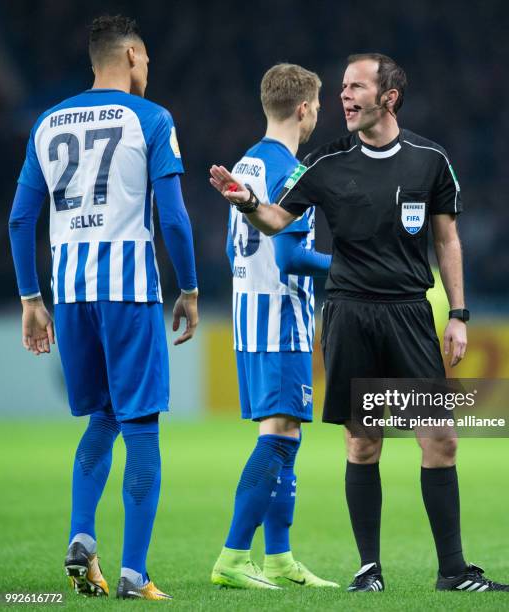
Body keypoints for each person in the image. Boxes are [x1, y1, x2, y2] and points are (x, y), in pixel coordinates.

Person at [209, 53, 509, 594]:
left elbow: (446, 240)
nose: (345, 97)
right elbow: (278, 219)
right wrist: (249, 202)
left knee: (439, 439)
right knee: (362, 442)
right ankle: (368, 569)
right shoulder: (326, 162)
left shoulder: (430, 160)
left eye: (356, 87)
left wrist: (460, 314)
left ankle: (453, 571)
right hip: (350, 314)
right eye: (343, 88)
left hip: (410, 314)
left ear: (388, 97)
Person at [9, 15, 198, 601]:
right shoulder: (151, 118)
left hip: (68, 293)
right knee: (141, 429)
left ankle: (81, 538)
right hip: (128, 291)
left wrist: (30, 299)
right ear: (135, 55)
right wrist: (188, 288)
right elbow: (171, 216)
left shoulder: (48, 121)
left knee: (102, 419)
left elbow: (20, 219)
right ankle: (134, 575)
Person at [211, 63, 338, 590]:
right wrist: (356, 266)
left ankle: (280, 557)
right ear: (306, 108)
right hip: (282, 318)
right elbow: (291, 258)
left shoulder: (246, 164)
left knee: (286, 434)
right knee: (280, 437)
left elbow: (229, 247)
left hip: (249, 316)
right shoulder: (292, 172)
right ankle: (233, 558)